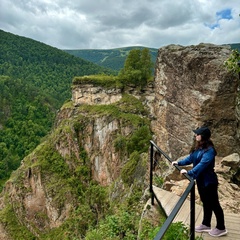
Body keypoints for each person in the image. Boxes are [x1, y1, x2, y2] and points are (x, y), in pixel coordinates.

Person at [171, 126, 227, 237]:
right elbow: (191, 158)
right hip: (201, 180)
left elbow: (203, 165)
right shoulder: (199, 148)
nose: (196, 135)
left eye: (198, 134)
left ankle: (221, 227)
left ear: (203, 136)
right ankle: (206, 224)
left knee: (214, 204)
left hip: (209, 181)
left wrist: (189, 173)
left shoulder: (210, 151)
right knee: (206, 202)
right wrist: (179, 163)